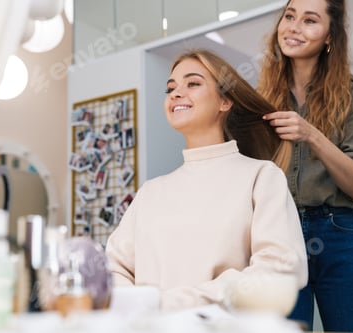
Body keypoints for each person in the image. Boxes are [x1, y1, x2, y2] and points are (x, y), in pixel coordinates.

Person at [105, 49, 308, 312]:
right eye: (170, 88)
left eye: (193, 83)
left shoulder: (261, 177)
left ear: (225, 101)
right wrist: (141, 308)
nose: (176, 93)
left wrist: (165, 304)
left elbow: (279, 271)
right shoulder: (150, 193)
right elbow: (111, 269)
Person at [257, 0, 353, 332]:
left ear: (329, 36)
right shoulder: (260, 99)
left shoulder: (352, 92)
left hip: (340, 234)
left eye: (310, 20)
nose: (294, 27)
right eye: (290, 16)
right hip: (280, 236)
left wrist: (311, 134)